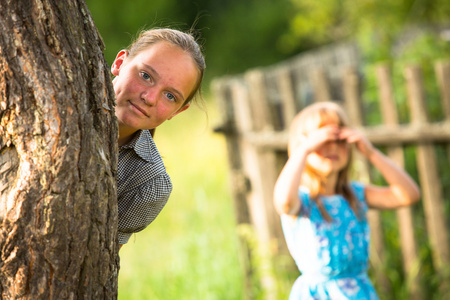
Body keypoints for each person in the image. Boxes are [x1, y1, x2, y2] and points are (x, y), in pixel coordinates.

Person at [273, 101, 420, 299]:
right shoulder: (302, 201)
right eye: (323, 139)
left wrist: (371, 152)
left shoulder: (355, 195)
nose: (333, 146)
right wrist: (304, 149)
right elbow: (283, 202)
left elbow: (408, 195)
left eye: (340, 139)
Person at [110, 28, 205, 248]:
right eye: (145, 76)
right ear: (119, 63)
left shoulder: (147, 183)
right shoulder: (53, 100)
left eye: (170, 96)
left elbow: (98, 261)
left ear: (177, 111)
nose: (150, 98)